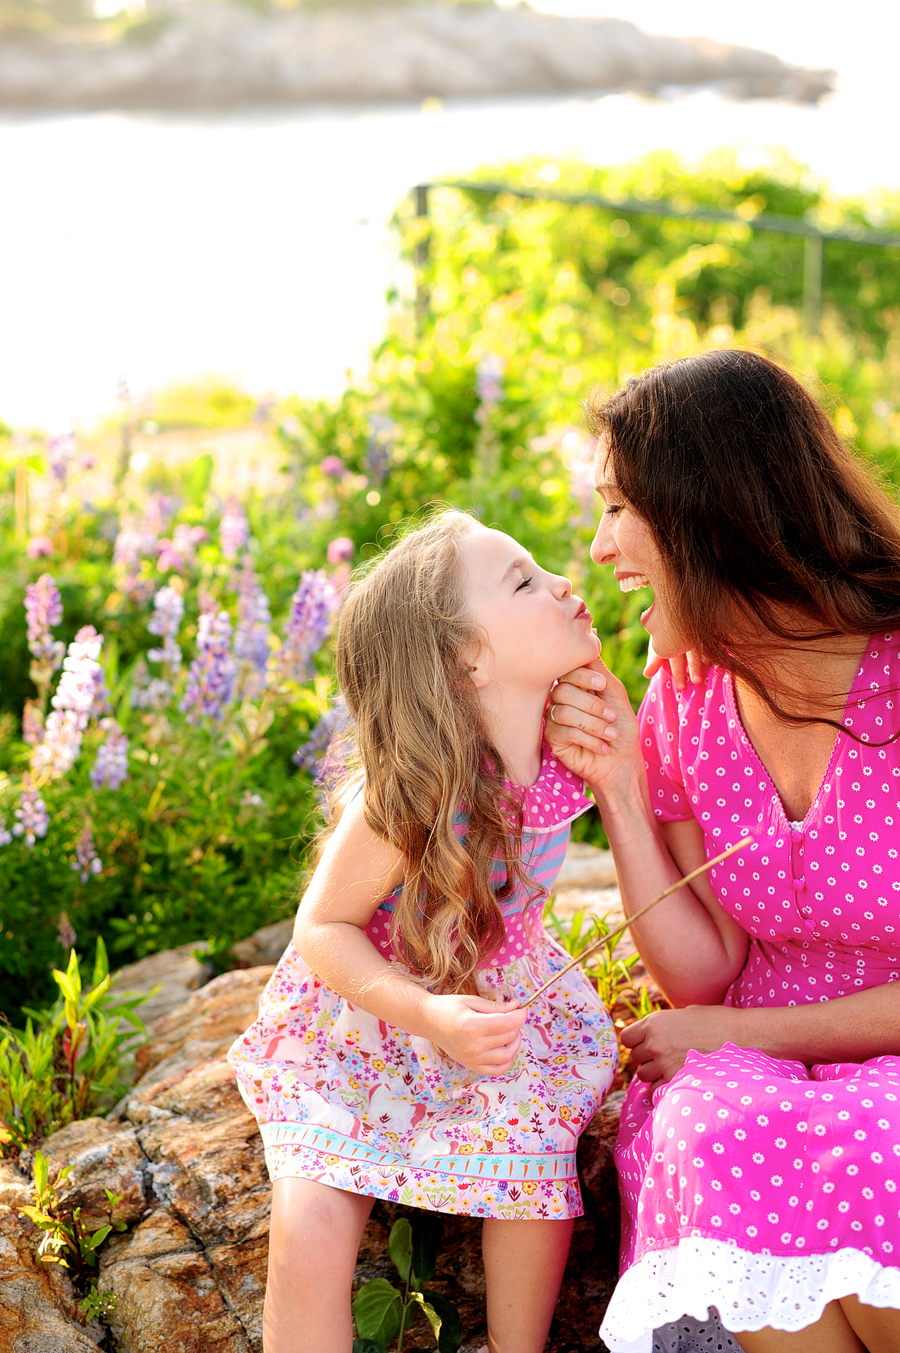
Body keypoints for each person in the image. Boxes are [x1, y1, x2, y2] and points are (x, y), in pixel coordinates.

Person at [544, 348, 900, 1353]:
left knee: (884, 1142)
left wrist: (747, 1041)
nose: (602, 545)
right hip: (752, 1080)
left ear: (709, 509)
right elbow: (705, 973)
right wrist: (618, 783)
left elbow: (720, 1024)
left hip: (870, 1062)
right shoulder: (688, 699)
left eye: (620, 508)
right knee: (713, 1128)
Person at [228, 510, 618, 1353]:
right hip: (370, 1017)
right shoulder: (408, 794)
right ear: (466, 658)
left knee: (537, 1161)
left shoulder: (560, 754)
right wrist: (426, 1013)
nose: (564, 579)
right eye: (523, 579)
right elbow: (321, 924)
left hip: (493, 1004)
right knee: (315, 1215)